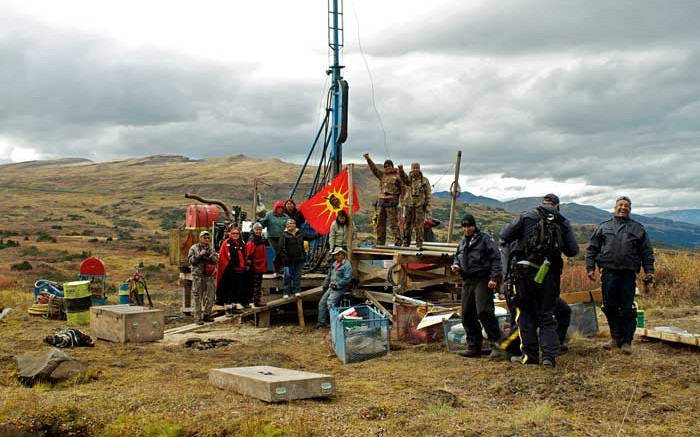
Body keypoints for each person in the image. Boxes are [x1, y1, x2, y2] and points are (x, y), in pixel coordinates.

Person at [500, 194, 579, 368]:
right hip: (549, 276)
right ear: (557, 206)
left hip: (524, 274)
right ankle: (549, 358)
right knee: (546, 316)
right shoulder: (563, 222)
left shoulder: (527, 215)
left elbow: (504, 235)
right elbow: (573, 250)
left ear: (543, 203)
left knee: (526, 314)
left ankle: (530, 357)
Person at [585, 196, 655, 355]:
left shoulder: (638, 229)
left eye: (626, 206)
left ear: (630, 209)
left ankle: (627, 342)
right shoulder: (603, 227)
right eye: (620, 205)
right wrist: (590, 268)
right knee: (609, 307)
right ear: (615, 207)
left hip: (628, 274)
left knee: (627, 308)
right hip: (608, 273)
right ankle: (615, 338)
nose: (623, 208)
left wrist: (649, 270)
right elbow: (591, 249)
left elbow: (646, 251)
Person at [450, 213, 504, 358]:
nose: (467, 229)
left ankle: (497, 345)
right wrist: (455, 265)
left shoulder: (485, 239)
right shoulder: (462, 242)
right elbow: (457, 256)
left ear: (474, 226)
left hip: (483, 278)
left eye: (469, 226)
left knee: (483, 311)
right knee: (467, 314)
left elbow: (496, 259)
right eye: (464, 226)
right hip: (467, 280)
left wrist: (494, 278)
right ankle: (474, 348)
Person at [363, 153, 403, 246]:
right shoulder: (382, 175)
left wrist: (401, 201)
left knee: (393, 223)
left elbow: (403, 189)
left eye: (389, 166)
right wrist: (368, 158)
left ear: (392, 166)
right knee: (380, 223)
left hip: (392, 201)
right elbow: (374, 169)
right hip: (382, 201)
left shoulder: (398, 176)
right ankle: (380, 242)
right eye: (385, 167)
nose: (387, 168)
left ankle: (398, 241)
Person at [279, 219, 319, 298]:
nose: (289, 225)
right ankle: (286, 291)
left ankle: (296, 290)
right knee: (288, 276)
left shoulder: (300, 233)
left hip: (300, 259)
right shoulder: (284, 235)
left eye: (291, 223)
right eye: (287, 224)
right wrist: (285, 257)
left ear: (295, 225)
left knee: (297, 276)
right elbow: (281, 248)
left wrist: (319, 234)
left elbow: (310, 237)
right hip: (289, 260)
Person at [216, 227, 251, 314]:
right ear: (230, 234)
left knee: (238, 288)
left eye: (237, 233)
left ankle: (235, 306)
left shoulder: (242, 243)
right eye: (234, 233)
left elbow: (245, 255)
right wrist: (228, 267)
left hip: (240, 270)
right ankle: (228, 308)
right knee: (229, 289)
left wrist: (246, 264)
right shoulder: (226, 243)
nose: (235, 235)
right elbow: (222, 256)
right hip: (230, 271)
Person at [316, 247, 353, 328]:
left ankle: (335, 324)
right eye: (335, 255)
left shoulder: (347, 265)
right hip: (332, 287)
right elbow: (329, 275)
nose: (337, 257)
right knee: (322, 303)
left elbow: (347, 279)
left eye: (338, 255)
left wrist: (337, 284)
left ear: (343, 255)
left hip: (340, 288)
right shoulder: (334, 264)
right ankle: (322, 322)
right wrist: (324, 285)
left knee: (330, 303)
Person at [187, 230, 219, 324]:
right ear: (200, 238)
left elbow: (216, 260)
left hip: (209, 275)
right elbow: (191, 261)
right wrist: (199, 255)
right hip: (198, 276)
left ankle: (207, 314)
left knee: (211, 296)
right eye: (204, 237)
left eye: (208, 237)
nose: (206, 239)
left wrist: (211, 257)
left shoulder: (211, 249)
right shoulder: (194, 248)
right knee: (197, 297)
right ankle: (197, 318)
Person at [398, 162, 432, 249]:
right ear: (411, 169)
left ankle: (419, 243)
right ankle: (406, 243)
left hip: (420, 205)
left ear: (419, 168)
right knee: (407, 225)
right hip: (409, 205)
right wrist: (401, 169)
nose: (415, 170)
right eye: (413, 168)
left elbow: (428, 193)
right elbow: (403, 177)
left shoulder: (424, 180)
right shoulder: (408, 179)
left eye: (417, 168)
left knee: (419, 225)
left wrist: (428, 205)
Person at [259, 200, 289, 277]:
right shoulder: (269, 215)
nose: (280, 209)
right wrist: (259, 224)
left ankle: (283, 270)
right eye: (278, 208)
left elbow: (290, 225)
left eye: (281, 208)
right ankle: (276, 270)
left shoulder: (286, 216)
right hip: (272, 237)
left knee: (283, 253)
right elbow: (263, 223)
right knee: (277, 252)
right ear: (275, 208)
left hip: (282, 237)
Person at [246, 222, 269, 308]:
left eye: (260, 229)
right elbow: (248, 254)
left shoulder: (261, 239)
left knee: (258, 284)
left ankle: (256, 300)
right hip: (255, 266)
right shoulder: (252, 241)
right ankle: (255, 301)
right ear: (253, 230)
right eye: (256, 229)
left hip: (260, 265)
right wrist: (249, 265)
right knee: (255, 284)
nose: (258, 231)